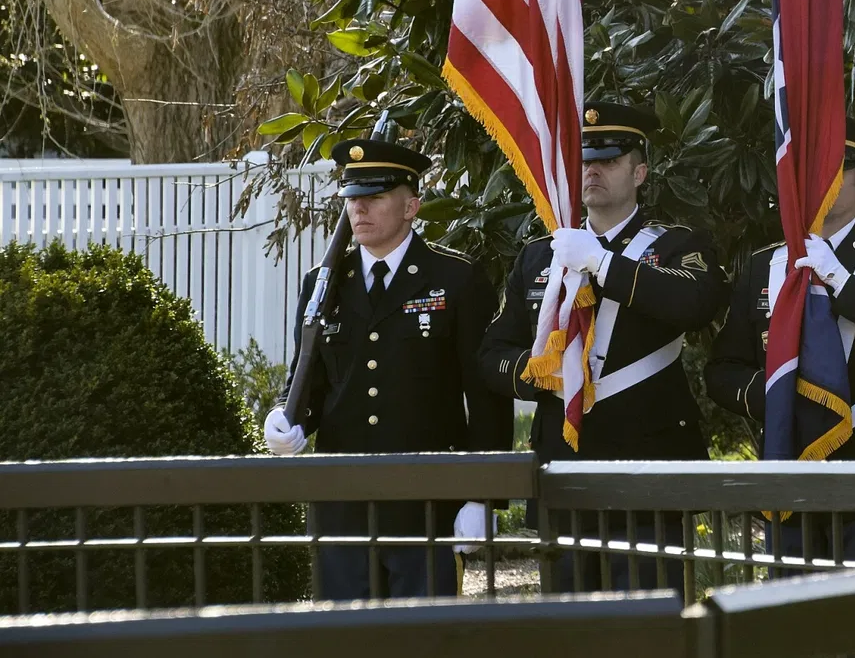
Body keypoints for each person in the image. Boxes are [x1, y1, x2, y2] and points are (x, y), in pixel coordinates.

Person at [479, 101, 726, 593]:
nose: (592, 169)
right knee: (569, 625)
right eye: (585, 159)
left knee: (649, 626)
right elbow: (492, 352)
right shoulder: (539, 255)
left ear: (640, 172)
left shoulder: (677, 244)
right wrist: (533, 370)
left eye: (609, 160)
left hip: (647, 466)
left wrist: (603, 264)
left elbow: (695, 303)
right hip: (564, 460)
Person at [264, 137, 513, 600]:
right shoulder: (324, 284)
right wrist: (286, 416)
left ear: (410, 206)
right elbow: (309, 379)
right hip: (342, 502)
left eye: (374, 197)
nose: (359, 209)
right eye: (352, 198)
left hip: (426, 500)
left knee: (424, 639)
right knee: (344, 637)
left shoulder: (455, 279)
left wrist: (483, 494)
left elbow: (484, 395)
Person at [707, 118, 855, 569]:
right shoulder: (765, 265)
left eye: (837, 170)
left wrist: (840, 280)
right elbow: (722, 369)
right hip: (789, 457)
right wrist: (776, 395)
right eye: (813, 170)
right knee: (791, 616)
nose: (822, 181)